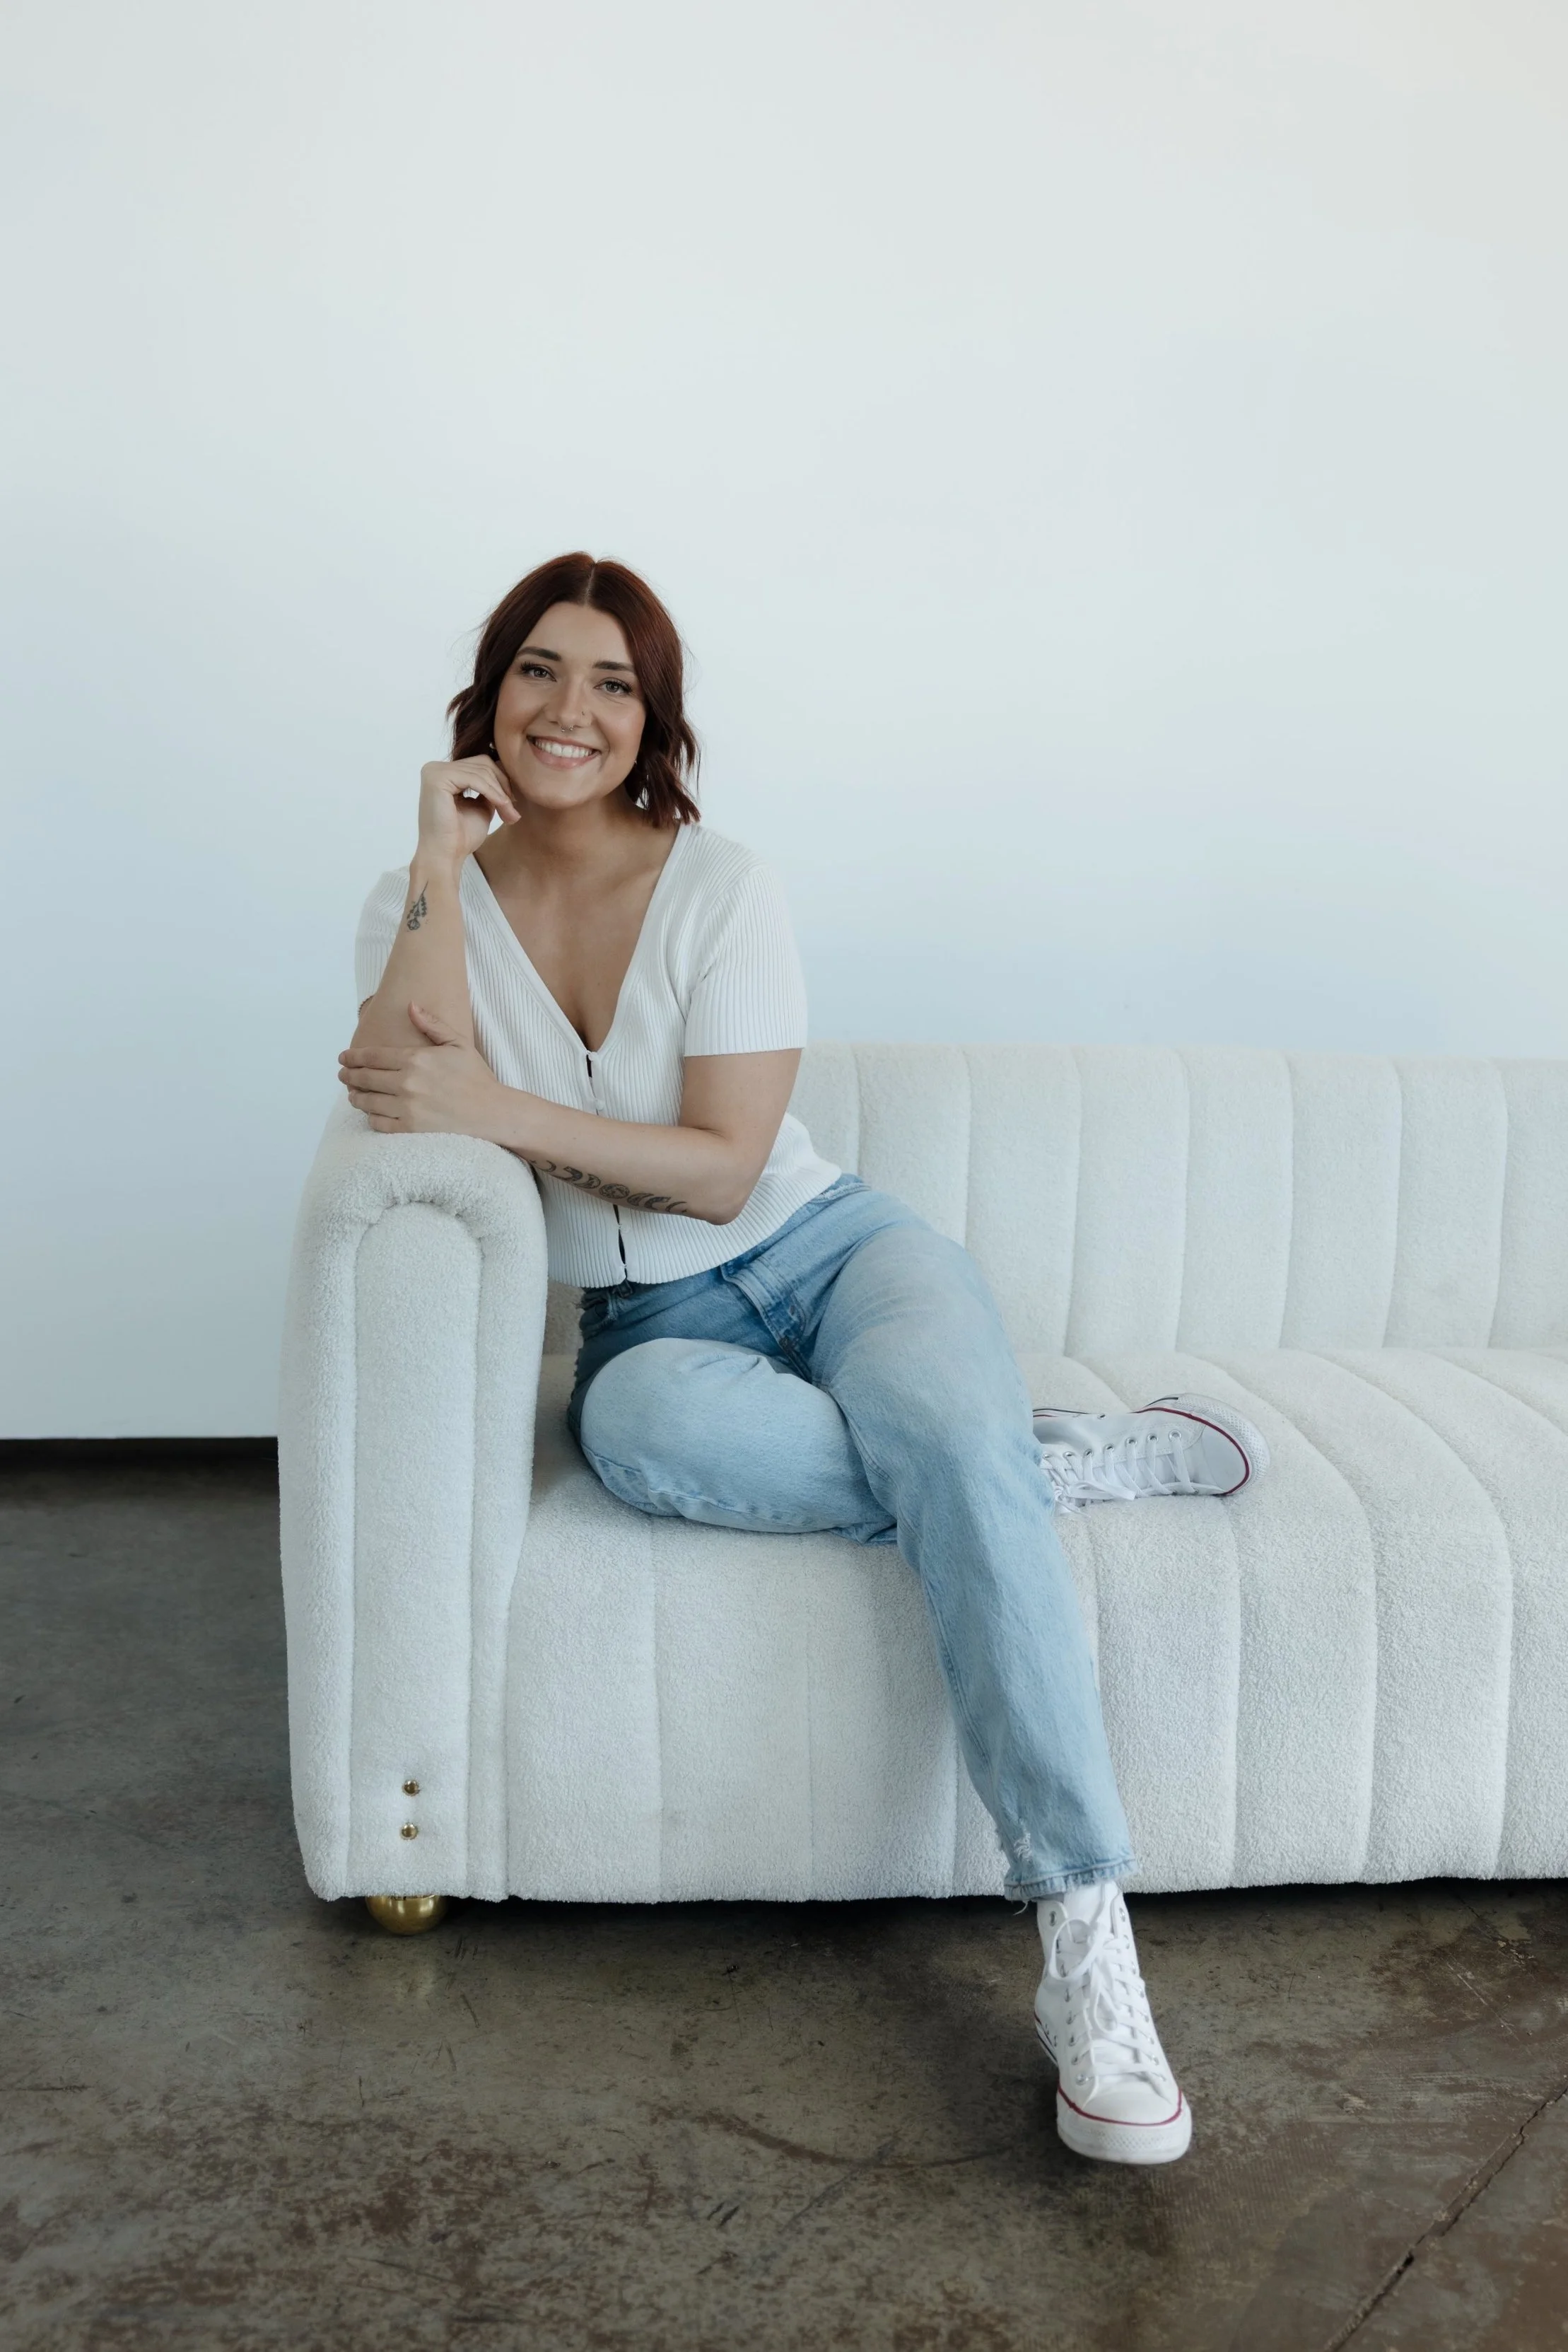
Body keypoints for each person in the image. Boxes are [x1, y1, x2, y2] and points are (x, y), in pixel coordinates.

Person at [340, 552, 1270, 2168]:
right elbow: (394, 1076)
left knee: (924, 1415)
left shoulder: (720, 884)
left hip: (838, 1254)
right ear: (488, 694)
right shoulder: (429, 896)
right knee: (638, 1432)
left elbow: (716, 1164)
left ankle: (1083, 1935)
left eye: (614, 683)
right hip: (653, 1334)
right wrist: (435, 857)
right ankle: (1019, 1461)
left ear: (655, 719)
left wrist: (492, 1108)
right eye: (541, 672)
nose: (573, 710)